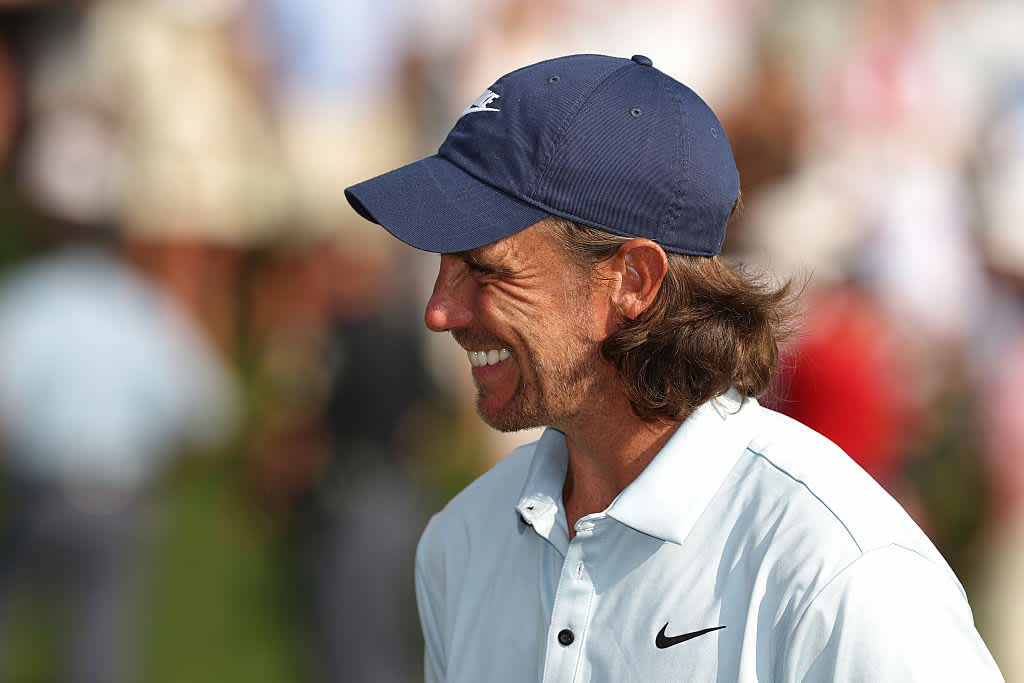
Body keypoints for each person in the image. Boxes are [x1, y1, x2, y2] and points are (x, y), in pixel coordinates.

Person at [344, 53, 1003, 682]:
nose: (439, 311)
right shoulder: (459, 544)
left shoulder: (837, 563)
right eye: (442, 266)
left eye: (486, 269)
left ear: (633, 279)